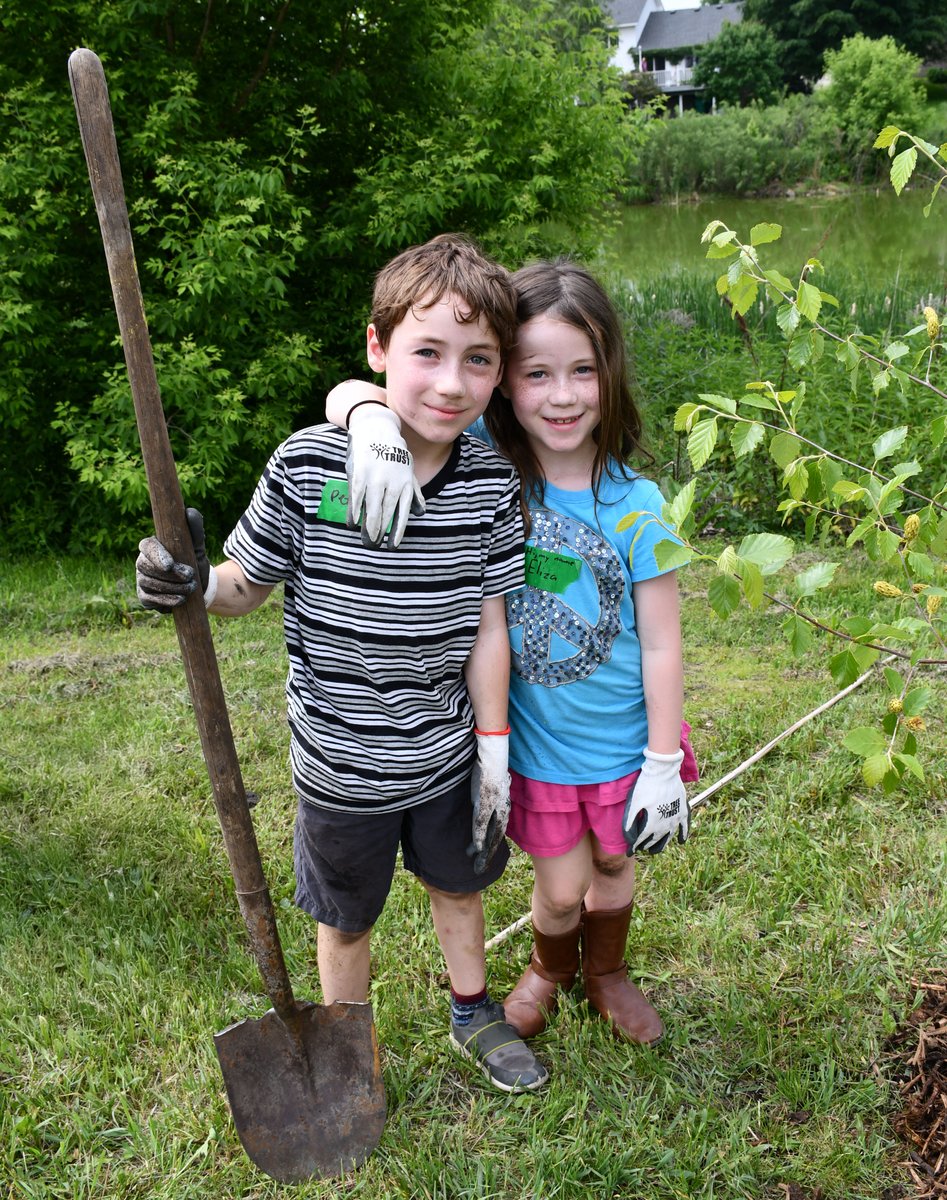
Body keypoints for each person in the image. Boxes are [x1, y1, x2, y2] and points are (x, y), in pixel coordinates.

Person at [134, 234, 549, 1093]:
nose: (449, 382)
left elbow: (488, 621)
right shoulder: (309, 463)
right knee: (345, 918)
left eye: (478, 361)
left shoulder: (488, 482)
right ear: (376, 348)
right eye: (425, 352)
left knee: (458, 890)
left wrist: (495, 745)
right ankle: (344, 1046)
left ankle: (472, 1012)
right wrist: (190, 583)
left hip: (445, 756)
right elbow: (246, 585)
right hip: (340, 763)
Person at [327, 257, 698, 1047]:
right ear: (502, 381)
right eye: (535, 373)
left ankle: (607, 972)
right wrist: (364, 419)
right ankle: (548, 966)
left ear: (610, 374)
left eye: (582, 372)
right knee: (560, 888)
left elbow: (663, 641)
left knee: (613, 867)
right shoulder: (487, 483)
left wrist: (663, 760)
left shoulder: (637, 504)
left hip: (627, 744)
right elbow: (366, 386)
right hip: (536, 746)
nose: (561, 396)